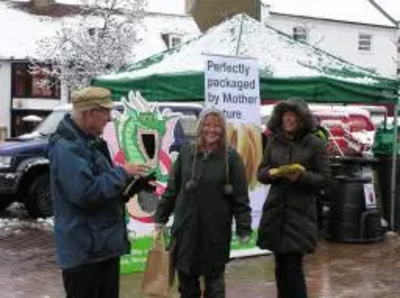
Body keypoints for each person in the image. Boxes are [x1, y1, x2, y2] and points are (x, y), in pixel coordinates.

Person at [49, 86, 151, 298]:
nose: (109, 119)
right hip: (84, 253)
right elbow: (85, 193)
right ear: (88, 114)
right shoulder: (67, 148)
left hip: (101, 249)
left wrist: (132, 185)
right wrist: (122, 173)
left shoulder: (90, 142)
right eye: (105, 112)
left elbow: (103, 190)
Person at [154, 108, 252, 298]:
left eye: (217, 125)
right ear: (200, 127)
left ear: (223, 129)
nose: (211, 130)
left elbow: (240, 198)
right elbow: (173, 189)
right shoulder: (187, 153)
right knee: (187, 287)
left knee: (215, 287)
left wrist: (244, 227)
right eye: (207, 124)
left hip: (215, 234)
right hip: (186, 231)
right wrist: (161, 216)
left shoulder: (231, 158)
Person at [257, 99, 331, 298]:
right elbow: (260, 173)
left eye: (293, 115)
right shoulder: (274, 141)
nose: (288, 119)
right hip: (276, 212)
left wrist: (302, 176)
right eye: (285, 115)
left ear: (302, 118)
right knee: (280, 266)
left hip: (299, 214)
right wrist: (273, 174)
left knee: (293, 266)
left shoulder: (315, 143)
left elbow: (325, 179)